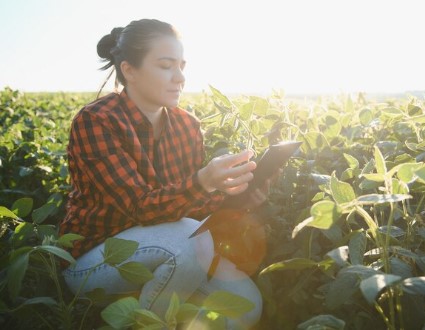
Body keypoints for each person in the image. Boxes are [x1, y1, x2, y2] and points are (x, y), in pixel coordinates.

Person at [58, 18, 269, 328]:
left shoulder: (187, 125)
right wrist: (203, 181)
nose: (180, 77)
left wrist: (235, 194)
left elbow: (191, 210)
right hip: (97, 261)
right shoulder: (97, 121)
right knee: (189, 241)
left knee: (248, 306)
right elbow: (140, 207)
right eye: (166, 66)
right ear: (129, 70)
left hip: (172, 251)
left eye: (182, 66)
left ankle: (158, 310)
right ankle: (148, 323)